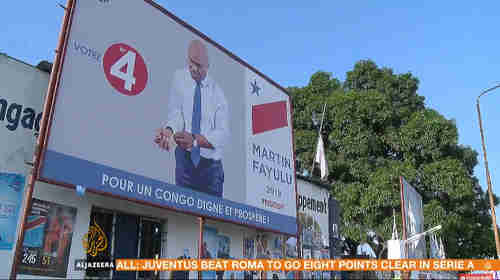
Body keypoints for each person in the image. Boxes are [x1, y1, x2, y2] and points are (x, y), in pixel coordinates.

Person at [155, 39, 229, 198]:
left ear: (208, 66)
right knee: (182, 216)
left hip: (210, 169)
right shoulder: (179, 78)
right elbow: (176, 113)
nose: (194, 68)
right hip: (185, 162)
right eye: (191, 62)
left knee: (211, 220)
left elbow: (223, 135)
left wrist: (195, 140)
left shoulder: (218, 94)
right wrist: (169, 130)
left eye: (199, 65)